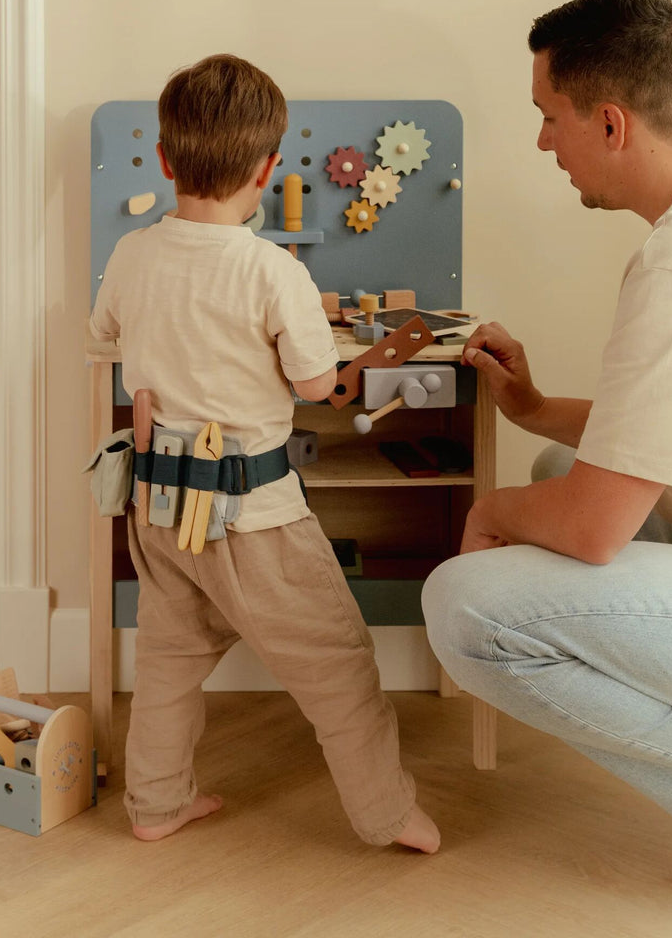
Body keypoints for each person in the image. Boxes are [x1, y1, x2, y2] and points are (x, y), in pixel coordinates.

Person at [421, 0, 672, 917]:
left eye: (550, 118)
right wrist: (540, 409)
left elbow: (593, 534)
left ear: (612, 123)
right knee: (558, 472)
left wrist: (486, 511)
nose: (545, 143)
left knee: (466, 606)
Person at [90, 53, 439, 852]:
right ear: (269, 167)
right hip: (256, 521)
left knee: (170, 663)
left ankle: (154, 805)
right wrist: (334, 363)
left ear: (166, 158)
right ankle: (387, 817)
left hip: (161, 507)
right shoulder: (273, 270)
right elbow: (316, 385)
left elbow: (106, 334)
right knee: (338, 665)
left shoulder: (133, 255)